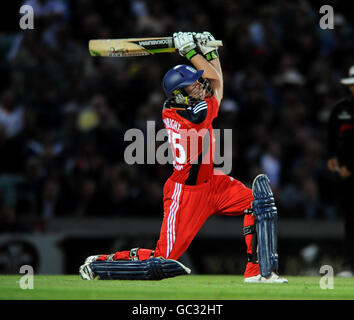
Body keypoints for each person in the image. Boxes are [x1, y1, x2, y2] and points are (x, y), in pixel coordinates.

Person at [79, 31, 287, 283]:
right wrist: (192, 52)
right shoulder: (191, 113)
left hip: (212, 182)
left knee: (258, 203)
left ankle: (257, 273)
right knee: (162, 259)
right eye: (193, 83)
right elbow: (216, 83)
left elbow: (215, 83)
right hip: (186, 193)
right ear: (179, 92)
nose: (200, 84)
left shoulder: (184, 104)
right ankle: (101, 264)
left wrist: (209, 52)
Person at [326, 64, 354, 277]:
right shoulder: (341, 109)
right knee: (351, 221)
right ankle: (350, 266)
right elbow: (331, 137)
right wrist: (331, 158)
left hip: (350, 170)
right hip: (346, 175)